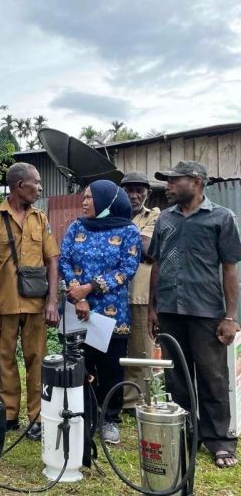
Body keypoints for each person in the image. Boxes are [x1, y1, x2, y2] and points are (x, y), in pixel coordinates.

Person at [148, 160, 241, 468]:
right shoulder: (165, 219)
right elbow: (157, 265)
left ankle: (220, 441)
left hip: (206, 311)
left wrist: (230, 316)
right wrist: (152, 308)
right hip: (170, 309)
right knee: (177, 376)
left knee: (213, 376)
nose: (168, 186)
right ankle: (186, 433)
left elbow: (229, 269)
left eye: (175, 180)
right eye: (167, 181)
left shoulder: (222, 218)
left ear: (197, 182)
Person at [0, 162, 60, 440]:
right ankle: (9, 413)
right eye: (36, 182)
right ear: (20, 185)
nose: (39, 187)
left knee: (37, 359)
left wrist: (52, 301)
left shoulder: (41, 219)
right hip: (5, 303)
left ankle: (36, 416)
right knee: (5, 359)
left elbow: (52, 260)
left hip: (36, 304)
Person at [59, 179, 141, 444]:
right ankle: (85, 416)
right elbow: (65, 260)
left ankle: (110, 419)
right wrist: (76, 293)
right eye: (83, 197)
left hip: (111, 313)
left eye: (89, 198)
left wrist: (90, 288)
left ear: (107, 201)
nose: (83, 202)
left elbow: (127, 268)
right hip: (78, 310)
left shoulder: (128, 231)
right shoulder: (76, 227)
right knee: (81, 364)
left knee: (110, 368)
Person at [119, 171, 160, 413]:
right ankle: (112, 398)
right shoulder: (111, 215)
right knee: (113, 351)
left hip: (140, 295)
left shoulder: (155, 217)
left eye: (139, 190)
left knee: (140, 353)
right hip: (111, 297)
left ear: (147, 193)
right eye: (128, 190)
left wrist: (117, 239)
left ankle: (133, 403)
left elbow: (149, 249)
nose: (134, 195)